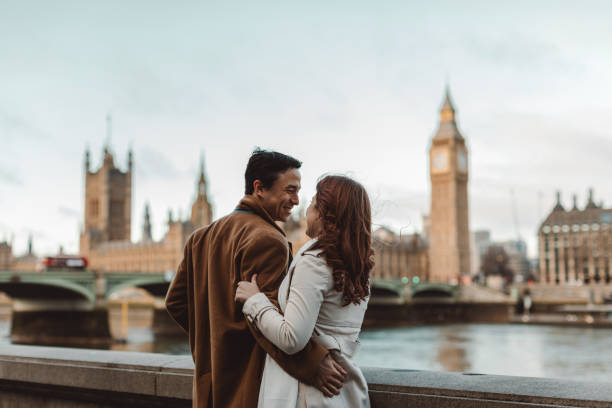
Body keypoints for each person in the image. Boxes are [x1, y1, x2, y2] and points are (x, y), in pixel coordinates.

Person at [165, 149, 347, 408]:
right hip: (250, 384)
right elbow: (269, 319)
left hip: (207, 383)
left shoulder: (200, 237)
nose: (296, 200)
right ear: (259, 187)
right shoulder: (268, 239)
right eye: (290, 190)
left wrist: (213, 341)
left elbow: (175, 303)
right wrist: (313, 363)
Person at [235, 175, 373, 407]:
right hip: (344, 391)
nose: (305, 208)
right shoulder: (359, 265)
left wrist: (255, 301)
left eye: (311, 204)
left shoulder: (315, 262)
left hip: (306, 394)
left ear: (323, 214)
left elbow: (292, 339)